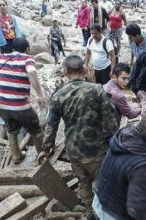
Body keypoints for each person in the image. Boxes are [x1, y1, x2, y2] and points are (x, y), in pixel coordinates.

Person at [38, 55, 117, 217]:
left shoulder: (58, 95)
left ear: (65, 72)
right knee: (104, 183)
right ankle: (109, 212)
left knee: (83, 181)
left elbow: (51, 127)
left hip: (74, 150)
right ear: (85, 70)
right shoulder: (96, 90)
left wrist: (45, 150)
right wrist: (118, 142)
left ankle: (90, 211)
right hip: (95, 149)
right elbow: (110, 121)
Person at [93, 112, 146, 220]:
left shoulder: (124, 133)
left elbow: (127, 163)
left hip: (99, 198)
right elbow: (136, 209)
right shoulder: (144, 165)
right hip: (114, 214)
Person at [0, 38, 47, 163]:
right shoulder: (27, 59)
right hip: (19, 106)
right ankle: (41, 157)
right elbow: (32, 73)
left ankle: (16, 156)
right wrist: (40, 95)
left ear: (13, 48)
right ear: (28, 49)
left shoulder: (1, 57)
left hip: (1, 105)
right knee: (37, 132)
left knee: (11, 130)